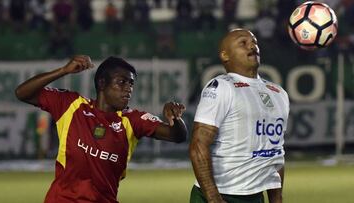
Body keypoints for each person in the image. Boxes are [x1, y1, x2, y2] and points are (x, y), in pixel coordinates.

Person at [15, 55, 188, 203]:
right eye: (122, 82)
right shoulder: (72, 105)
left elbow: (177, 135)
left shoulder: (132, 120)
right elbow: (22, 93)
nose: (129, 88)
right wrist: (63, 71)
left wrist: (175, 118)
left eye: (131, 84)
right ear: (102, 83)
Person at [189, 29, 290, 203]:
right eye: (243, 43)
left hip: (255, 196)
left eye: (254, 42)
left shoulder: (279, 93)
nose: (252, 45)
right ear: (225, 55)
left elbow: (276, 154)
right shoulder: (220, 87)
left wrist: (276, 199)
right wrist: (214, 198)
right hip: (220, 194)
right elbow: (198, 146)